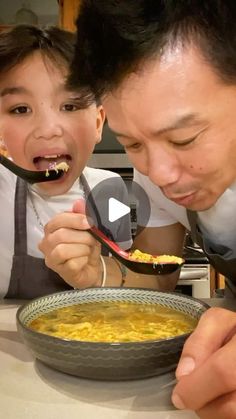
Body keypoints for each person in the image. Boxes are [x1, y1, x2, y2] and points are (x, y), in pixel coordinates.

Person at [64, 1, 236, 417]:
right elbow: (157, 282)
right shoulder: (155, 177)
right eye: (132, 144)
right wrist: (102, 273)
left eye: (184, 139)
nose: (159, 173)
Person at [0, 24, 134, 299]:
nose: (49, 129)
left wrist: (99, 273)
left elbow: (125, 274)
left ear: (98, 123)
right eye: (21, 109)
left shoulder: (113, 190)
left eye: (70, 106)